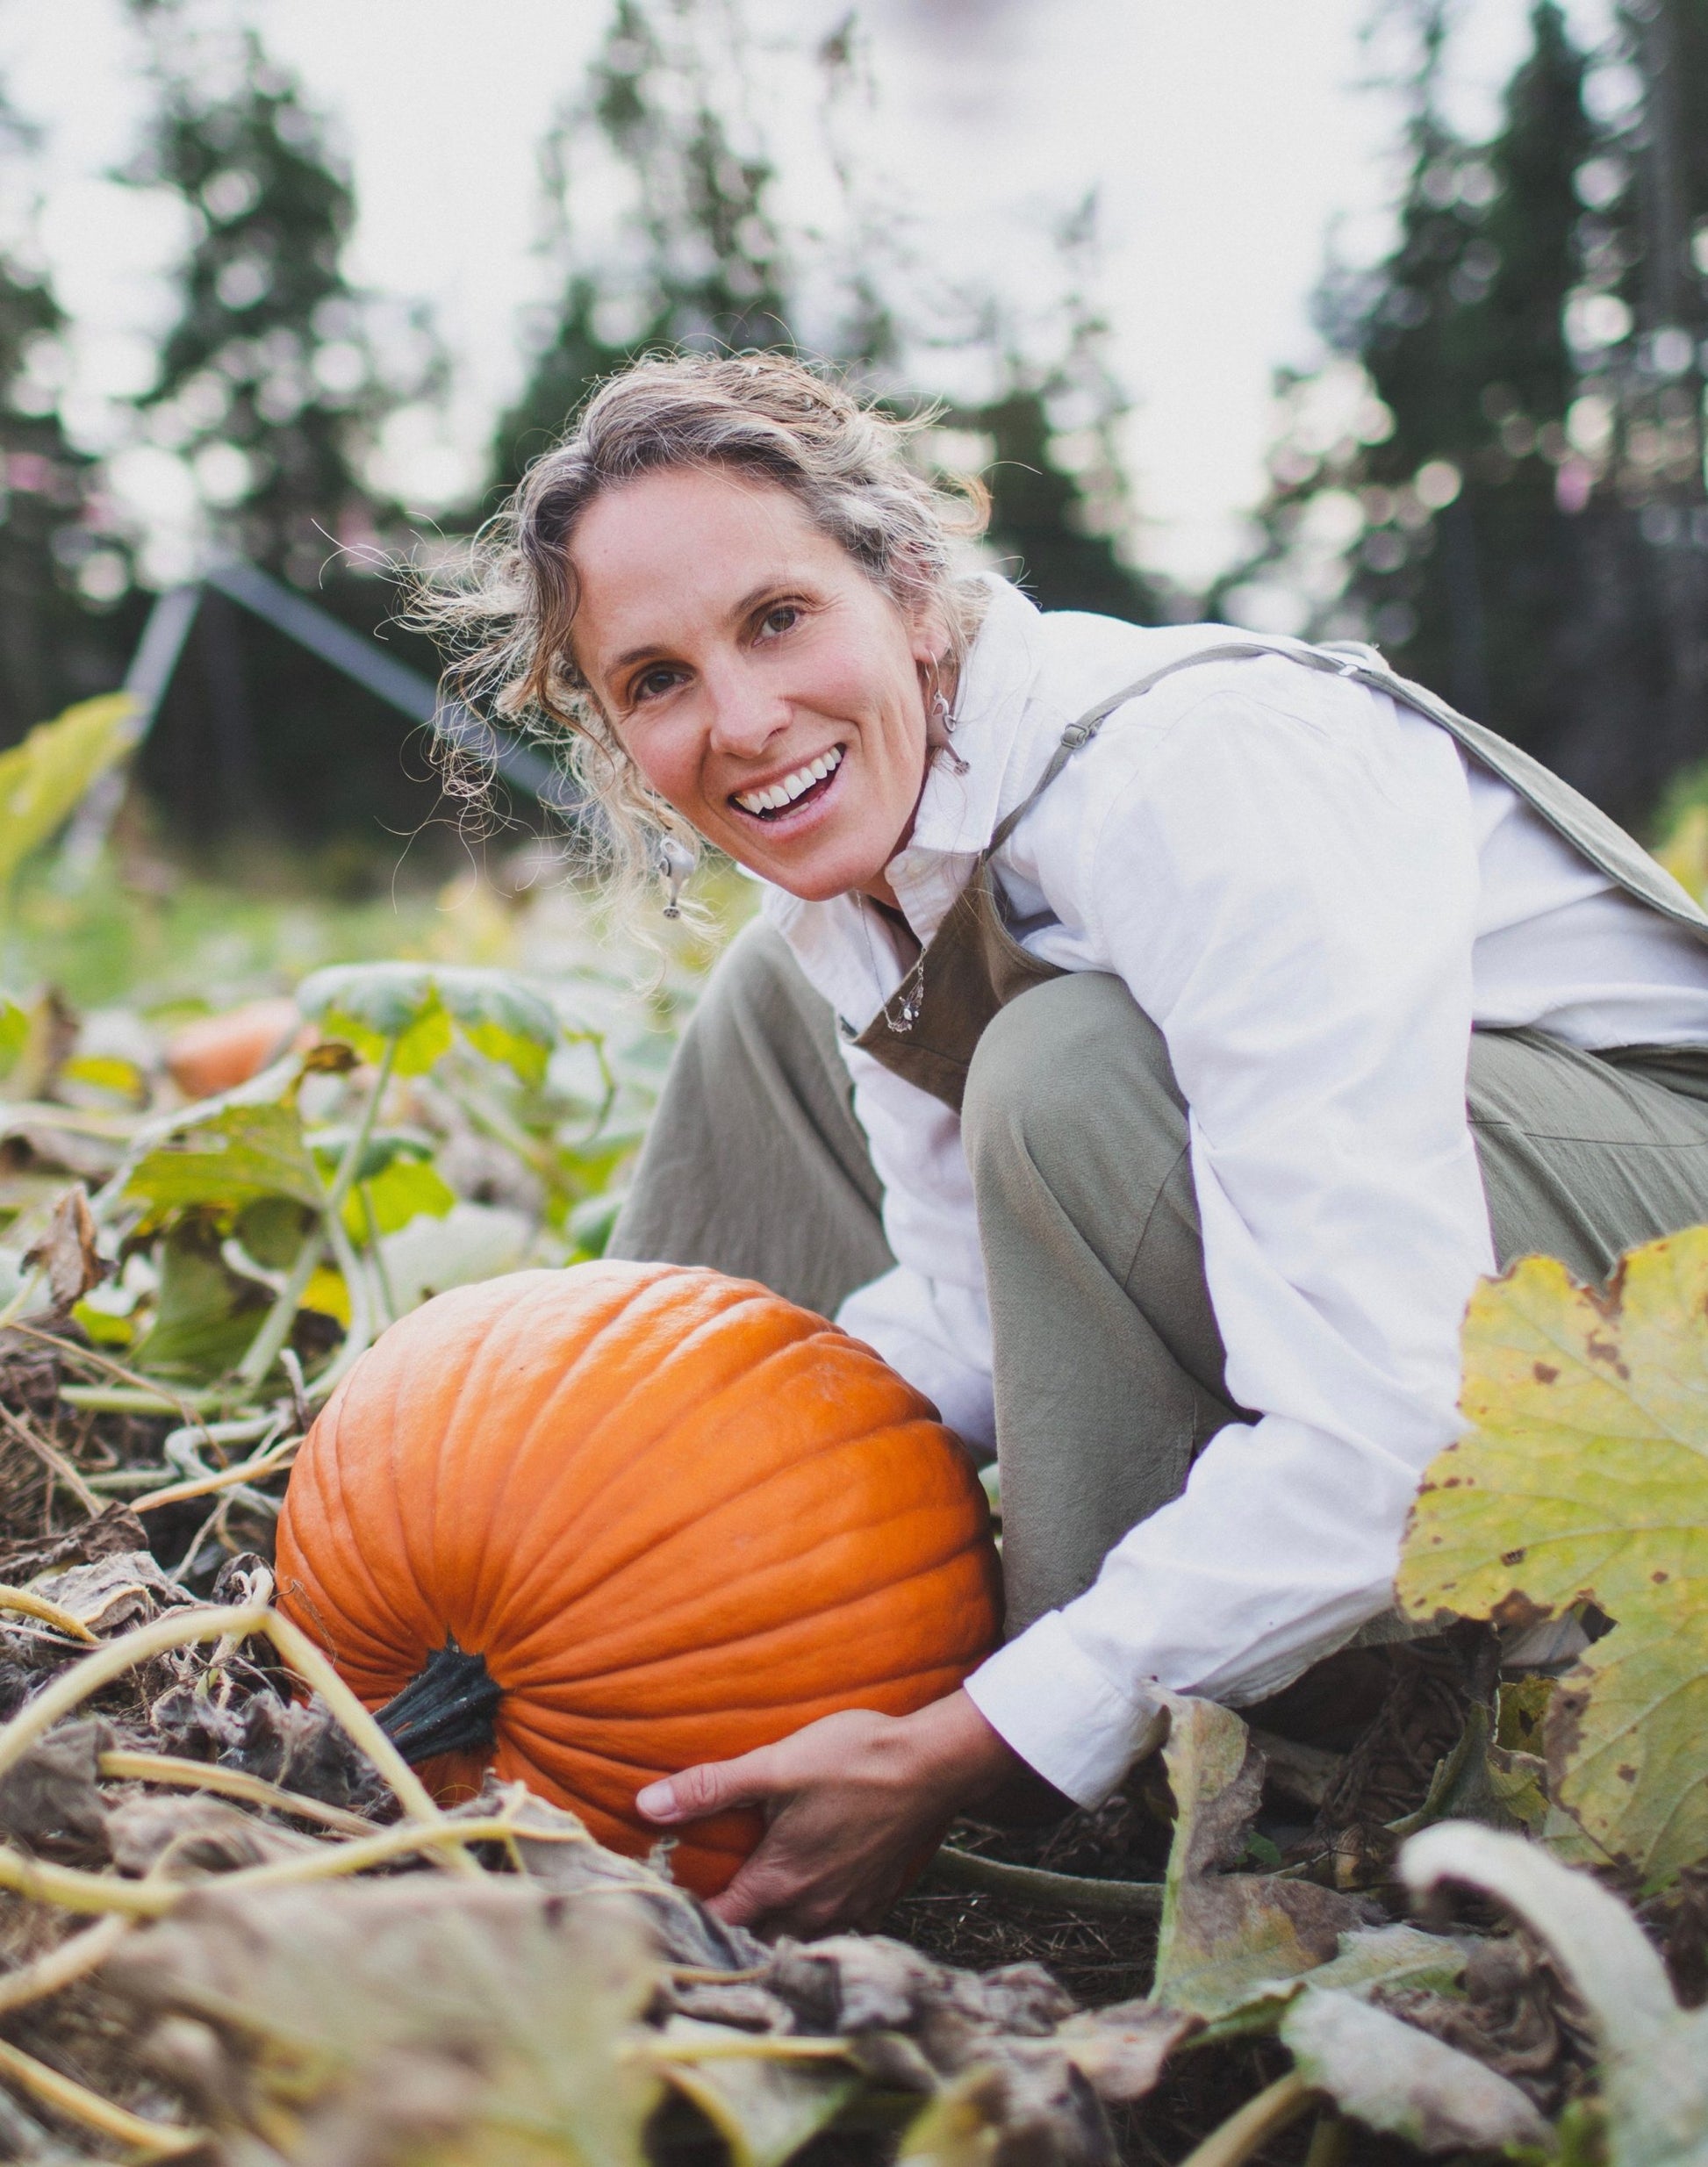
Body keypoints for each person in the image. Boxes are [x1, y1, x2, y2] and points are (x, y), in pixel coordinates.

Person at [441, 349, 1708, 1938]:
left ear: (906, 588)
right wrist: (651, 1511)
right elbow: (963, 1292)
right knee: (806, 1005)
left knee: (1061, 1065)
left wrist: (985, 1737)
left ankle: (1216, 1744)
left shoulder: (1189, 777)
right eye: (656, 680)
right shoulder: (864, 855)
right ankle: (681, 1579)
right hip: (1479, 1266)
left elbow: (1393, 1411)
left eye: (776, 619)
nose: (743, 720)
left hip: (1666, 1273)